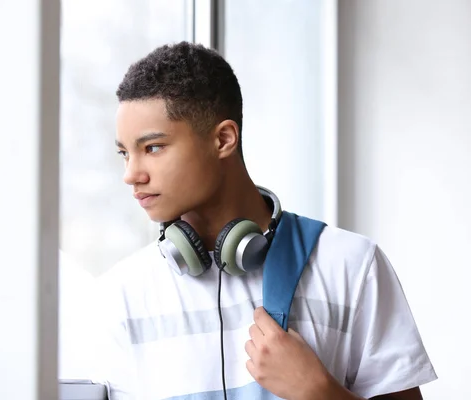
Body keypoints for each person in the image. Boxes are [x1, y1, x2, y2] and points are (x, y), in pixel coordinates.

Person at [88, 41, 437, 400]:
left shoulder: (352, 266)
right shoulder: (119, 297)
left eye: (153, 147)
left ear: (223, 139)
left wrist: (320, 392)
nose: (131, 174)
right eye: (124, 153)